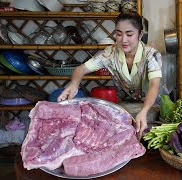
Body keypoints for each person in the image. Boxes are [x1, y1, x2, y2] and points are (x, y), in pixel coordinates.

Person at [58, 12, 168, 140]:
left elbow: (154, 85)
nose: (123, 40)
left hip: (155, 105)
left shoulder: (151, 55)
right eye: (119, 34)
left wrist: (144, 111)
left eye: (129, 34)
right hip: (128, 104)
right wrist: (74, 84)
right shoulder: (110, 53)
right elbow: (80, 69)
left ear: (140, 34)